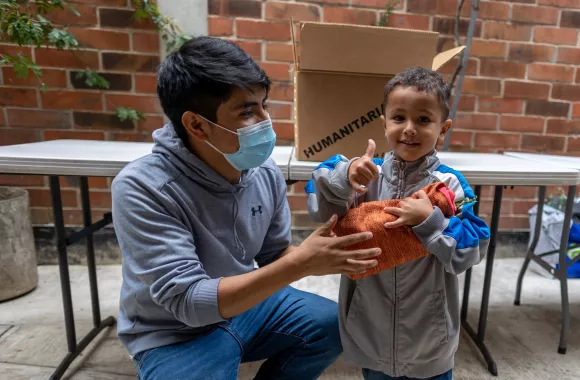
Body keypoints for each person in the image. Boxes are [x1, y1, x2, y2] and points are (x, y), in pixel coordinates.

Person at [110, 36, 382, 380]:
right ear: (196, 125)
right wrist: (301, 263)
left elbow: (274, 254)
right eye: (248, 111)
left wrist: (335, 258)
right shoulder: (142, 188)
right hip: (174, 333)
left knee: (335, 324)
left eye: (264, 105)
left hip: (245, 307)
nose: (266, 122)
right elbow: (189, 302)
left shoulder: (263, 171)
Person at [306, 67, 491, 380]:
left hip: (429, 339)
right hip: (370, 330)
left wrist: (430, 222)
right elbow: (321, 207)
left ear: (443, 128)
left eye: (423, 120)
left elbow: (470, 250)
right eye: (398, 118)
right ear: (384, 123)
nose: (409, 129)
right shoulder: (365, 175)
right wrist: (346, 177)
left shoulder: (450, 186)